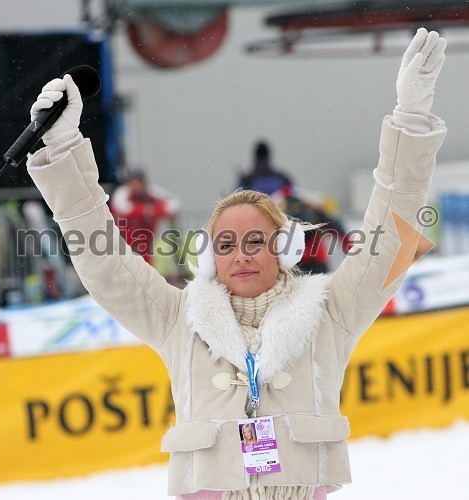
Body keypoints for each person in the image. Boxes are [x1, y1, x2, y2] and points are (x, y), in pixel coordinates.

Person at [26, 28, 447, 500]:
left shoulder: (332, 313)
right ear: (210, 256)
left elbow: (394, 239)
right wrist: (62, 152)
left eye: (255, 241)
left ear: (284, 249)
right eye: (225, 244)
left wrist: (411, 121)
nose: (241, 254)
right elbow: (103, 263)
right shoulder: (176, 319)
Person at [109, 168, 179, 265]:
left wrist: (154, 210)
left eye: (138, 182)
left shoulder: (151, 195)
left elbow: (173, 206)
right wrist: (146, 211)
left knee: (148, 272)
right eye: (132, 182)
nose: (135, 186)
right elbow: (122, 208)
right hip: (124, 246)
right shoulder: (122, 195)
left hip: (148, 246)